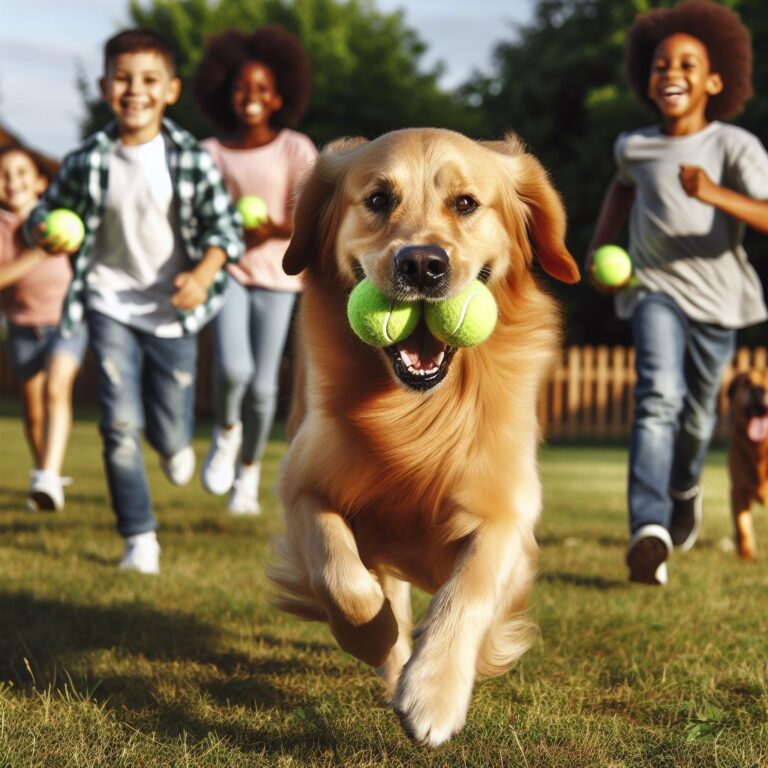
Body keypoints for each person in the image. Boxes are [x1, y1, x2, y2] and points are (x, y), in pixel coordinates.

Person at [24, 28, 243, 574]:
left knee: (169, 427)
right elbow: (40, 213)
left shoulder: (190, 157)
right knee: (118, 422)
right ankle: (139, 537)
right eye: (122, 78)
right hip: (107, 301)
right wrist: (45, 230)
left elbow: (227, 230)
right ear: (104, 86)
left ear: (171, 90)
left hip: (176, 309)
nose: (134, 90)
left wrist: (203, 272)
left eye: (149, 79)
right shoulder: (87, 159)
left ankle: (172, 446)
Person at [586, 0, 768, 586]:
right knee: (657, 398)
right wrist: (600, 248)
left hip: (719, 300)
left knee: (694, 419)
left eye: (688, 65)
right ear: (648, 77)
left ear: (715, 81)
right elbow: (621, 190)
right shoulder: (632, 147)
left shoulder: (733, 146)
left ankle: (684, 488)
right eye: (662, 64)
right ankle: (650, 529)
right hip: (653, 290)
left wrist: (714, 193)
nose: (672, 73)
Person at [191, 26, 317, 515]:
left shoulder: (295, 147)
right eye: (243, 87)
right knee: (233, 368)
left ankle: (246, 473)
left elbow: (310, 213)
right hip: (228, 271)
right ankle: (225, 430)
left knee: (264, 387)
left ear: (279, 96)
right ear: (226, 92)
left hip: (281, 275)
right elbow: (197, 215)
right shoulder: (209, 154)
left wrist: (271, 228)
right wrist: (225, 231)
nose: (252, 97)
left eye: (262, 89)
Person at [0, 144, 88, 512]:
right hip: (22, 327)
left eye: (21, 173)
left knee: (56, 389)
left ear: (40, 182)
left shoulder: (58, 217)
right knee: (33, 412)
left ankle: (49, 477)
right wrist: (39, 253)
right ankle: (43, 472)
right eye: (3, 175)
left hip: (66, 319)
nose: (12, 182)